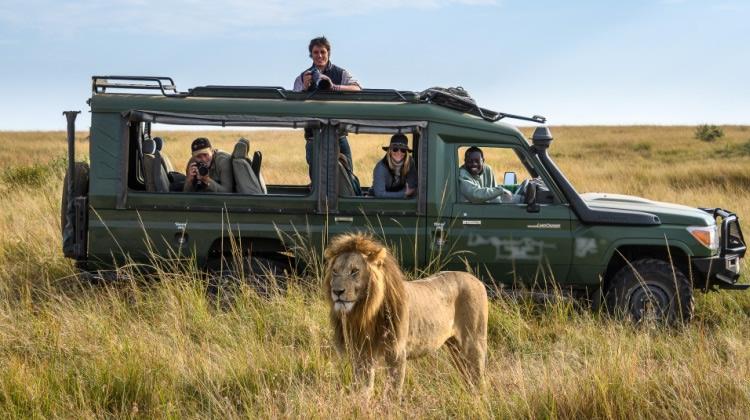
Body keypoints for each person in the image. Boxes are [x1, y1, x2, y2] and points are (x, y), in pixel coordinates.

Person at [292, 36, 362, 92]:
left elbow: (357, 88)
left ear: (328, 53)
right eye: (316, 52)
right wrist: (304, 87)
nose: (319, 56)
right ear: (311, 55)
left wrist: (333, 87)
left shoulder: (341, 74)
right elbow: (294, 99)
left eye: (322, 52)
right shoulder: (303, 77)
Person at [371, 134, 417, 198]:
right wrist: (404, 194)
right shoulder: (381, 168)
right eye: (395, 149)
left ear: (406, 152)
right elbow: (379, 194)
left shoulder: (410, 163)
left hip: (400, 201)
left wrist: (406, 193)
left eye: (403, 150)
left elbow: (411, 187)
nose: (399, 152)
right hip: (379, 202)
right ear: (390, 151)